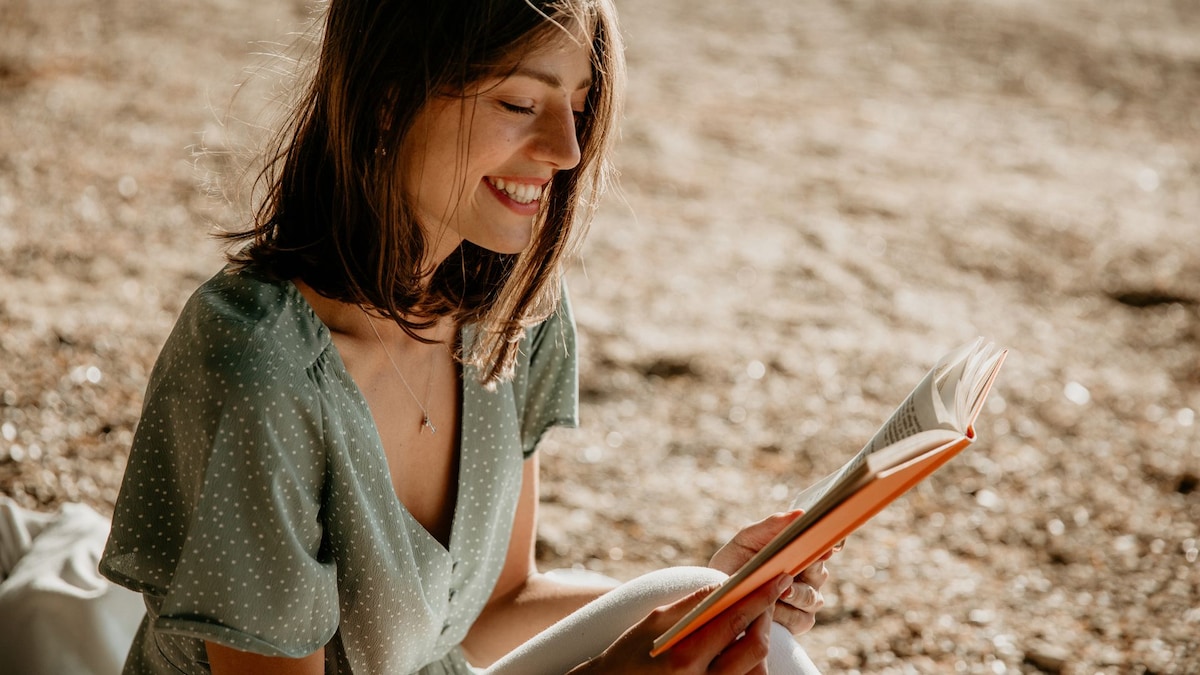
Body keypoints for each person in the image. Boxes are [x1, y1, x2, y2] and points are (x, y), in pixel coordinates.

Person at [99, 1, 832, 673]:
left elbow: (496, 605)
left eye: (578, 108)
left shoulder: (508, 315)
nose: (567, 149)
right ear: (388, 100)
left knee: (750, 642)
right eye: (520, 102)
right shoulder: (260, 361)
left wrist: (709, 607)